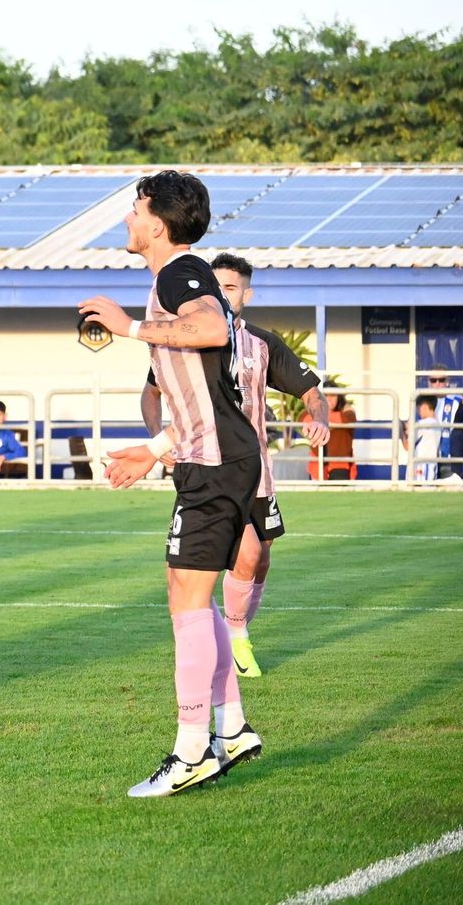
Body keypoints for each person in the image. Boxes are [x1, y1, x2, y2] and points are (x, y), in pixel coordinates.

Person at [78, 169, 262, 798]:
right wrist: (154, 452)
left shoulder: (179, 273)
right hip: (210, 459)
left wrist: (129, 327)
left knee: (186, 600)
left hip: (216, 465)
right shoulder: (177, 276)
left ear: (157, 223)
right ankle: (230, 728)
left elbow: (211, 328)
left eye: (134, 209)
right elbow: (199, 397)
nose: (127, 219)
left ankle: (191, 751)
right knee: (187, 595)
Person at [159, 252, 330, 679]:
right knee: (238, 554)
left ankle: (236, 631)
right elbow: (151, 390)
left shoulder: (262, 344)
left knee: (260, 559)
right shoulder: (189, 339)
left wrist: (319, 416)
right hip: (211, 466)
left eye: (231, 287)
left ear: (246, 295)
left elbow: (310, 390)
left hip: (257, 471)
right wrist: (156, 440)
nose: (222, 293)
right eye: (216, 285)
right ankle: (234, 640)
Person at [316, 393, 357, 480]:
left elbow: (349, 418)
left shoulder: (347, 413)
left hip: (340, 466)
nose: (329, 399)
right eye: (326, 395)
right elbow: (304, 418)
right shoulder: (312, 410)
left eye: (333, 395)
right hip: (317, 467)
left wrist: (321, 417)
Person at [408, 395, 442, 482]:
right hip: (429, 465)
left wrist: (400, 430)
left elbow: (407, 445)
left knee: (421, 491)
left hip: (423, 466)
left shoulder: (423, 423)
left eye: (419, 408)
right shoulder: (437, 423)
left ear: (424, 406)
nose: (418, 411)